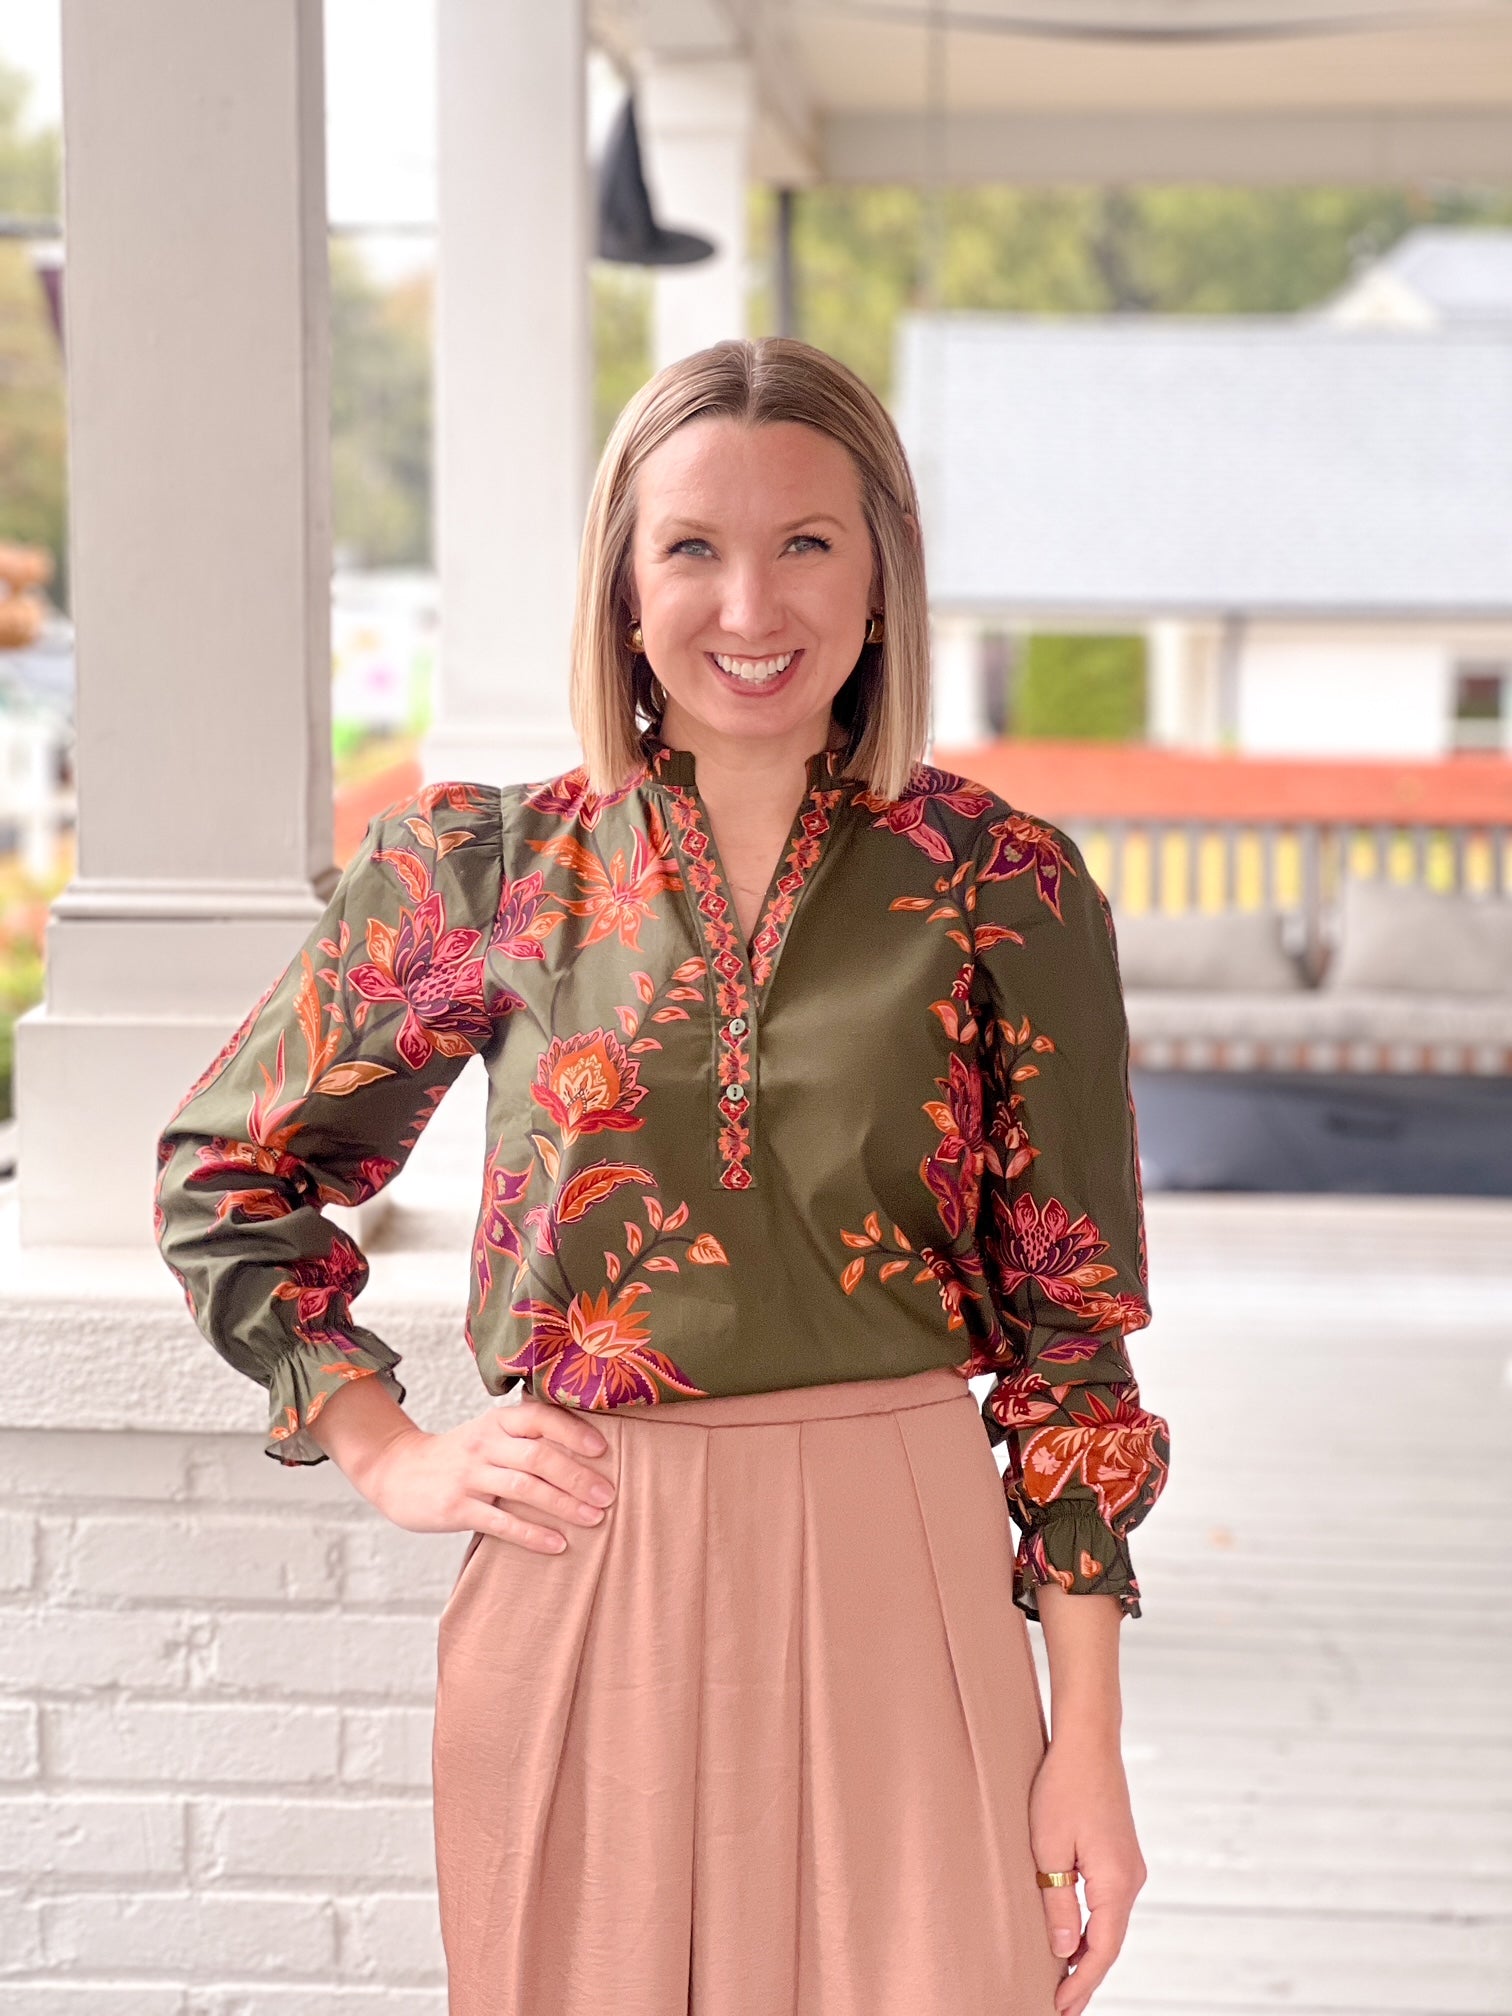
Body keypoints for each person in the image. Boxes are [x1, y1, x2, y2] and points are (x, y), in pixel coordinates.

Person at [154, 335, 1170, 2016]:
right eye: (693, 546)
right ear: (625, 584)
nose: (749, 606)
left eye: (806, 543)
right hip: (590, 1579)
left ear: (882, 576)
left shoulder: (1007, 882)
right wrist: (388, 1449)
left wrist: (1094, 1749)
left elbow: (1072, 1345)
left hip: (905, 1578)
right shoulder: (484, 867)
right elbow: (231, 1175)